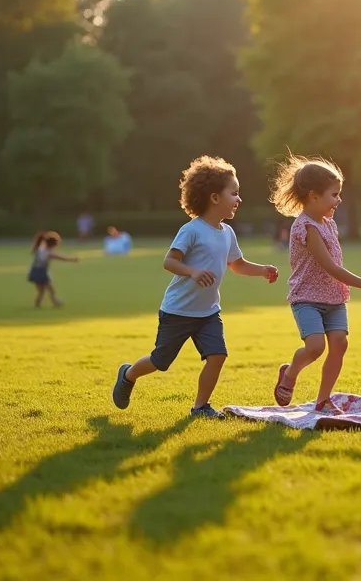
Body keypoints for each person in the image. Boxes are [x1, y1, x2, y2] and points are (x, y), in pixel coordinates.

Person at [111, 156, 279, 419]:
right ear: (214, 198)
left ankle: (200, 407)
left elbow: (237, 264)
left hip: (208, 312)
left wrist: (262, 270)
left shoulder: (228, 232)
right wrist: (193, 271)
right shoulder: (192, 230)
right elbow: (169, 261)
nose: (239, 199)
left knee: (218, 355)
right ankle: (128, 373)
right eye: (234, 193)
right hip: (178, 311)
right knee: (160, 362)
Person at [267, 154, 361, 414]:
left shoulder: (329, 223)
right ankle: (289, 373)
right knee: (315, 348)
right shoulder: (306, 227)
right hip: (307, 298)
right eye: (334, 195)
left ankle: (323, 400)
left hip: (333, 298)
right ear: (313, 196)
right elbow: (331, 267)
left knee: (340, 345)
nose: (339, 199)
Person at [27, 231, 78, 308]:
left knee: (43, 290)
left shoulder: (41, 249)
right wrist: (72, 259)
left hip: (35, 271)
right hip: (41, 272)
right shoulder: (48, 253)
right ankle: (49, 303)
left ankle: (41, 304)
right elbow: (61, 258)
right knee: (47, 290)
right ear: (53, 245)